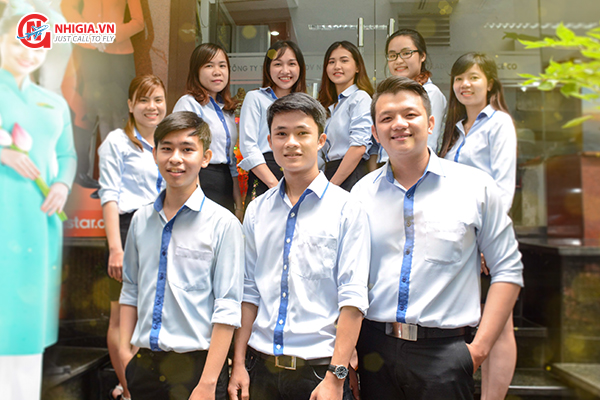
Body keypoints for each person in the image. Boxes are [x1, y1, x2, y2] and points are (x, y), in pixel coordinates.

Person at [351, 76, 523, 400]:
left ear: (430, 123)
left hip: (444, 354)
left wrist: (478, 350)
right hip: (374, 350)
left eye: (410, 114)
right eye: (387, 118)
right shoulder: (361, 194)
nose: (399, 124)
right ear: (375, 132)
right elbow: (349, 276)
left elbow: (507, 270)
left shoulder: (475, 187)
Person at [228, 93, 370, 400]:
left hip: (319, 373)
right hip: (260, 369)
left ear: (320, 141)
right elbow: (249, 292)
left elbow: (353, 298)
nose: (291, 142)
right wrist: (238, 364)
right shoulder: (257, 210)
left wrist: (337, 376)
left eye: (302, 133)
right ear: (270, 141)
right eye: (281, 134)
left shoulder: (347, 209)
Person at [119, 111, 244, 400]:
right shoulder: (140, 219)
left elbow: (227, 307)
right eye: (167, 148)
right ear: (155, 154)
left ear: (205, 157)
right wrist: (126, 354)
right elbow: (130, 289)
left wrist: (208, 383)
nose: (176, 158)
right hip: (143, 367)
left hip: (197, 370)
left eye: (187, 149)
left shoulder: (223, 224)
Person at [0, 13, 77, 400]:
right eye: (18, 42)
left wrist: (61, 185)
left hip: (40, 221)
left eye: (36, 46)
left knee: (28, 326)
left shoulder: (54, 102)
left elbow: (67, 155)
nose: (27, 53)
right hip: (4, 216)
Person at [438, 52, 518, 400]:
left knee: (499, 325)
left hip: (487, 234)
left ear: (490, 83)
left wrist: (488, 241)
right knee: (477, 322)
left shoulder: (499, 123)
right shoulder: (456, 130)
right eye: (459, 79)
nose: (464, 85)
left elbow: (502, 186)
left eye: (473, 77)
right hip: (459, 237)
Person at [98, 75, 167, 400]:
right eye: (144, 100)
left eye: (158, 100)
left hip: (161, 230)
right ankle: (128, 390)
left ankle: (136, 384)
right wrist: (116, 248)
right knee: (122, 315)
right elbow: (109, 196)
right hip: (126, 231)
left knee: (149, 312)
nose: (152, 107)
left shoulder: (167, 142)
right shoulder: (117, 141)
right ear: (130, 105)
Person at [173, 43, 242, 218]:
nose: (217, 72)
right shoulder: (188, 103)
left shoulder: (227, 111)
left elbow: (231, 160)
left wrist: (238, 203)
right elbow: (181, 151)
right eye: (209, 66)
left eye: (222, 65)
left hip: (225, 182)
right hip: (198, 179)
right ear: (196, 71)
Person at [239, 40, 306, 204]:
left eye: (292, 64)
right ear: (268, 68)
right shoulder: (255, 98)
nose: (285, 70)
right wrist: (274, 185)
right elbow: (248, 145)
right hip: (264, 174)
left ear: (300, 68)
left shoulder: (306, 104)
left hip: (298, 175)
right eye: (278, 64)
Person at [375, 28, 446, 163]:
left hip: (412, 168)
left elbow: (427, 143)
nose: (398, 61)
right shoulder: (388, 94)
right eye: (392, 55)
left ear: (422, 56)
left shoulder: (430, 92)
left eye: (406, 53)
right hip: (387, 167)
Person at [318, 40, 373, 191]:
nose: (337, 66)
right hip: (330, 173)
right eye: (331, 62)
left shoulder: (360, 98)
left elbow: (359, 147)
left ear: (357, 67)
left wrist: (332, 186)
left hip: (351, 174)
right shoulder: (329, 107)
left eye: (344, 60)